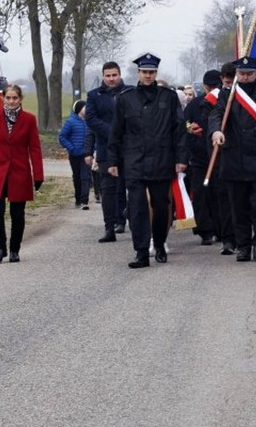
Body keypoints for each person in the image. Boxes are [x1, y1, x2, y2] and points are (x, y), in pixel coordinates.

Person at [108, 53, 187, 268]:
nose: (148, 75)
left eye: (152, 72)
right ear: (138, 73)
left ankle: (159, 243)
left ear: (156, 74)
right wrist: (112, 161)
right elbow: (116, 132)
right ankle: (141, 251)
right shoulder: (126, 98)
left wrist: (181, 159)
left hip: (162, 160)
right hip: (134, 160)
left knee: (161, 206)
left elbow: (179, 130)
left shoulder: (168, 98)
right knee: (137, 207)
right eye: (145, 72)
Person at [209, 57, 256, 262]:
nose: (245, 77)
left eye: (249, 73)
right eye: (242, 73)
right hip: (234, 160)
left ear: (255, 74)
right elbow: (216, 115)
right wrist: (216, 131)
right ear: (237, 75)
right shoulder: (227, 95)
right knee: (238, 209)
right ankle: (244, 246)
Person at [0, 85, 44, 263]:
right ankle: (0, 248)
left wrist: (38, 175)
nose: (11, 101)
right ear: (3, 98)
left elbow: (35, 149)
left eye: (15, 98)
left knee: (17, 214)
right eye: (8, 98)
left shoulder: (28, 119)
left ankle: (14, 249)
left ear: (20, 99)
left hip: (19, 172)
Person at [86, 61, 132, 242]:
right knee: (108, 190)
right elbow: (91, 119)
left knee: (131, 187)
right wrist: (112, 132)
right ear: (103, 76)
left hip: (129, 148)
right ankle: (109, 227)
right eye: (108, 76)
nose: (111, 79)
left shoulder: (130, 92)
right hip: (106, 148)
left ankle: (128, 220)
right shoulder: (94, 95)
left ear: (119, 75)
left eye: (114, 75)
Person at [184, 70, 221, 245]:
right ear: (205, 87)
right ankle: (205, 229)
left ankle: (221, 228)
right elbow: (184, 124)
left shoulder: (224, 102)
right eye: (211, 87)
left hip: (220, 157)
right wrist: (189, 128)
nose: (213, 90)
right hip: (199, 157)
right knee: (200, 195)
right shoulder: (194, 105)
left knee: (219, 194)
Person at [209, 63, 238, 254]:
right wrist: (216, 130)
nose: (228, 80)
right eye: (226, 78)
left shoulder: (255, 96)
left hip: (251, 157)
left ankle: (248, 236)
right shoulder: (219, 97)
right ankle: (228, 239)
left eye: (232, 77)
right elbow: (215, 116)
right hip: (225, 156)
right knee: (226, 201)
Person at [59, 100, 92, 209]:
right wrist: (71, 148)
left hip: (87, 155)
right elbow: (62, 137)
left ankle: (84, 201)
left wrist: (93, 149)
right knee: (77, 177)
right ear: (79, 109)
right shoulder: (70, 122)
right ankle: (78, 198)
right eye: (84, 107)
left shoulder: (90, 122)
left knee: (85, 177)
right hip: (74, 155)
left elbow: (94, 137)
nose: (87, 109)